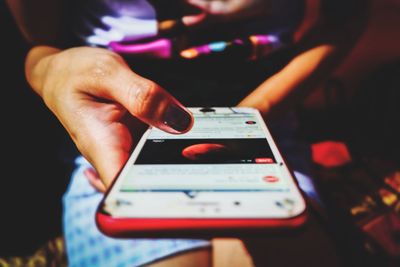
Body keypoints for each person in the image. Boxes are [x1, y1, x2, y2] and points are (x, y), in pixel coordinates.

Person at [6, 0, 368, 266]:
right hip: (118, 134)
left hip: (270, 135)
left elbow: (347, 15)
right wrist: (50, 71)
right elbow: (39, 45)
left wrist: (257, 114)